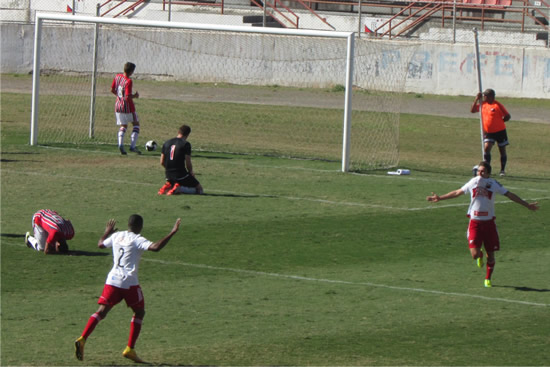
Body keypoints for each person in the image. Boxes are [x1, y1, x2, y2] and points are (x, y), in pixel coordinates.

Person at [74, 215, 181, 363]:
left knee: (101, 311)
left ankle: (82, 338)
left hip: (112, 280)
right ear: (139, 227)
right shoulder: (137, 239)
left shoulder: (117, 235)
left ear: (128, 225)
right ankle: (130, 349)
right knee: (139, 312)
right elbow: (155, 247)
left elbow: (100, 244)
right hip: (129, 282)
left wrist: (107, 231)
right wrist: (172, 232)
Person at [426, 161, 539, 287]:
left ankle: (488, 278)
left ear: (488, 173)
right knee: (474, 255)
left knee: (491, 254)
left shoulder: (494, 184)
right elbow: (458, 192)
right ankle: (479, 255)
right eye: (479, 171)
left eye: (483, 171)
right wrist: (440, 198)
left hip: (489, 224)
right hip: (475, 223)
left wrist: (526, 205)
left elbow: (510, 195)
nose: (480, 173)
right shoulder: (473, 182)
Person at [470, 88, 511, 176]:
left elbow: (507, 116)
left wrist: (499, 122)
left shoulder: (497, 105)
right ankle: (487, 168)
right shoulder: (483, 104)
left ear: (491, 96)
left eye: (486, 95)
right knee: (487, 148)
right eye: (484, 95)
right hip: (489, 132)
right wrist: (476, 99)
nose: (484, 97)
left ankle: (502, 170)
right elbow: (473, 110)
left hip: (500, 131)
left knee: (502, 150)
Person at [158, 124, 204, 195]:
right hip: (181, 174)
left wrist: (169, 169)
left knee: (180, 182)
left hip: (168, 175)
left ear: (178, 132)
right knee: (200, 190)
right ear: (188, 134)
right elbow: (188, 162)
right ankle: (178, 188)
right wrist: (191, 172)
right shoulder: (186, 144)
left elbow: (161, 162)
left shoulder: (166, 143)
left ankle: (169, 186)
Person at [111, 62, 141, 155]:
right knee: (136, 124)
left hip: (118, 105)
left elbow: (112, 90)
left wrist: (120, 97)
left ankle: (120, 144)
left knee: (123, 126)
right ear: (131, 72)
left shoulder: (117, 77)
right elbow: (128, 97)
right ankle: (132, 146)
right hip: (128, 107)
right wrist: (135, 96)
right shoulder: (128, 81)